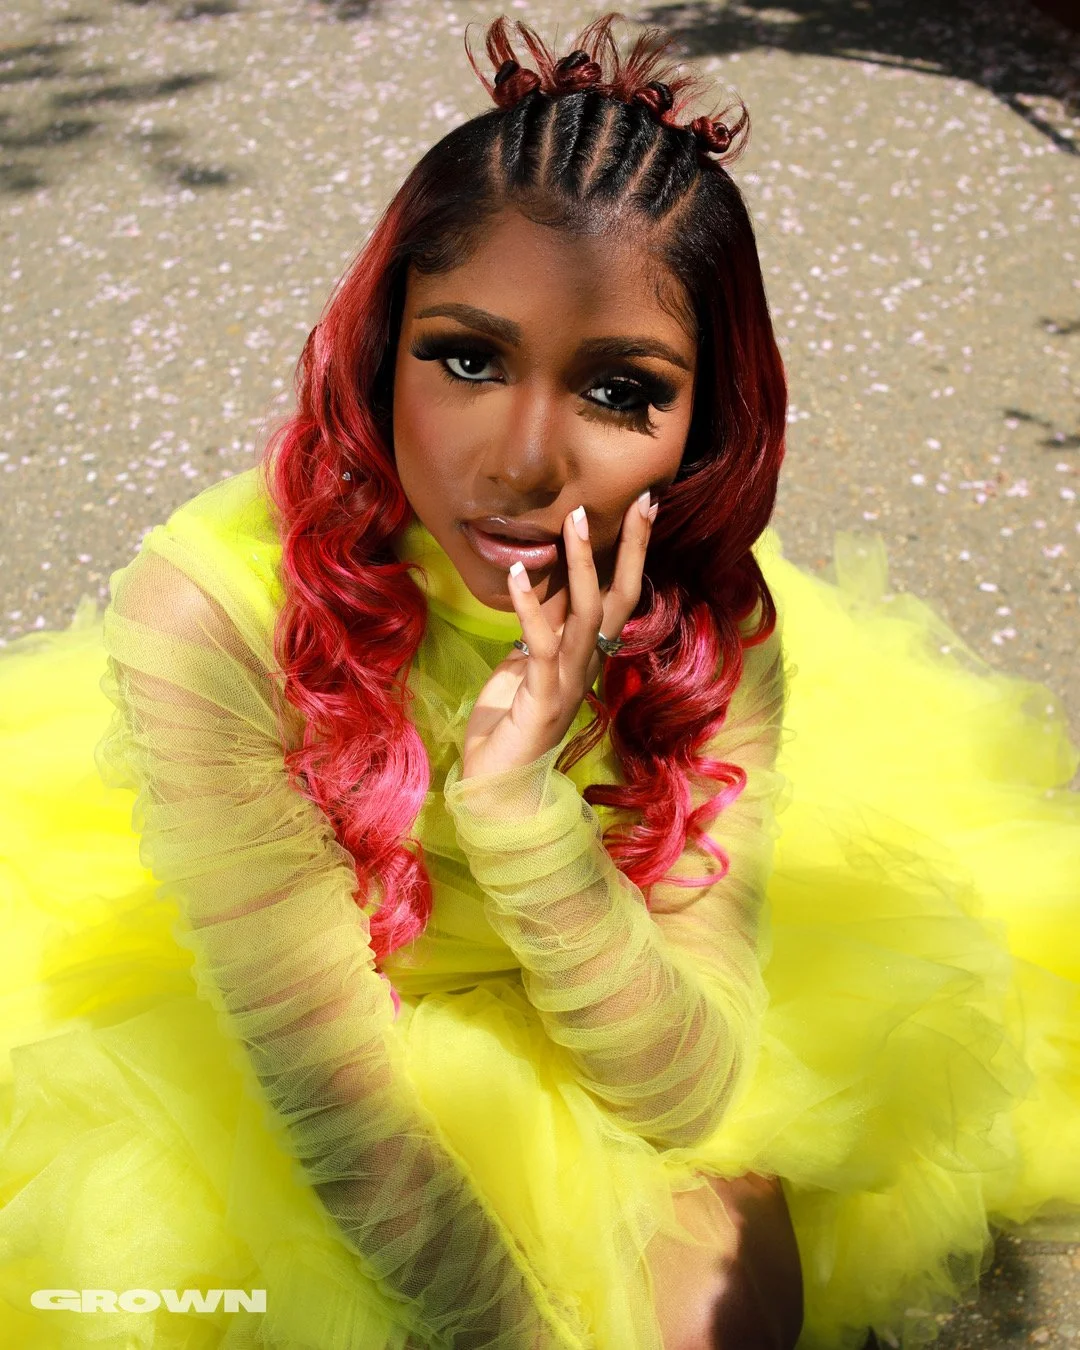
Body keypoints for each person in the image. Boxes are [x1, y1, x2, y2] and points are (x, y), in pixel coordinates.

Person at [0, 12, 1076, 1350]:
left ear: (704, 424)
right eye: (465, 356)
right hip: (323, 1030)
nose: (521, 461)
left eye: (621, 389)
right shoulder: (215, 614)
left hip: (583, 979)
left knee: (729, 1321)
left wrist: (520, 807)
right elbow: (342, 1110)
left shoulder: (716, 624)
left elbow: (685, 1093)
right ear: (379, 345)